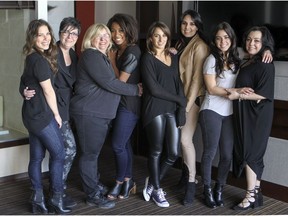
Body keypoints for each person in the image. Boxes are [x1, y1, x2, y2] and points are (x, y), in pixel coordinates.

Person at [69, 23, 142, 209]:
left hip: (97, 114)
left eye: (106, 35)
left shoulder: (100, 57)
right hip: (89, 113)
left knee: (92, 154)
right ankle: (92, 195)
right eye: (99, 35)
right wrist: (135, 90)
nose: (104, 39)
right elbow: (110, 83)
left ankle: (94, 185)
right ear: (90, 38)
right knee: (89, 156)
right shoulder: (92, 55)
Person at [22, 17, 82, 208]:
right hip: (44, 113)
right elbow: (47, 90)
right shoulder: (42, 58)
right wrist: (56, 115)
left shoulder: (38, 56)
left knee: (37, 157)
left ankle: (37, 199)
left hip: (36, 113)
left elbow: (27, 79)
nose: (45, 38)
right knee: (61, 153)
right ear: (33, 38)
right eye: (40, 35)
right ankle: (56, 196)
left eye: (47, 33)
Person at [199, 22, 253, 208]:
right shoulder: (211, 60)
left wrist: (268, 50)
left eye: (226, 37)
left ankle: (219, 188)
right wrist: (236, 91)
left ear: (232, 39)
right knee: (209, 153)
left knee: (227, 155)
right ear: (214, 41)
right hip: (211, 110)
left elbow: (257, 51)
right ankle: (206, 189)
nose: (223, 41)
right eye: (219, 38)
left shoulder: (237, 57)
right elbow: (212, 89)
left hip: (229, 112)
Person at [227, 26, 275, 210]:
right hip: (247, 113)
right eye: (248, 39)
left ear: (263, 43)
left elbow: (264, 94)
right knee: (252, 153)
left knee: (251, 154)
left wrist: (237, 95)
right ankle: (256, 193)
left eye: (256, 40)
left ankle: (249, 196)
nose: (251, 43)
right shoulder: (250, 60)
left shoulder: (265, 63)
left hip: (257, 114)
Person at [141, 21, 187, 208]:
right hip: (154, 108)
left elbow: (178, 84)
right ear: (151, 38)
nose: (161, 39)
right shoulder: (147, 58)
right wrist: (178, 100)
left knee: (173, 153)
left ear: (168, 38)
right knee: (156, 151)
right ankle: (157, 190)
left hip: (171, 109)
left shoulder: (172, 57)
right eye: (157, 35)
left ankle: (152, 182)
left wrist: (181, 108)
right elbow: (154, 89)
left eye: (164, 35)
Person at [171, 9, 210, 206]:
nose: (187, 27)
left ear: (198, 26)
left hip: (192, 100)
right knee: (180, 141)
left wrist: (185, 107)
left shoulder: (200, 46)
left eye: (192, 24)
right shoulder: (180, 43)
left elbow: (196, 80)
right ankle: (185, 176)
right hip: (179, 98)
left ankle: (192, 182)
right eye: (184, 23)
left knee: (185, 140)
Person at [106, 13, 141, 200]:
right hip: (119, 102)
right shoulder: (117, 49)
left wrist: (111, 60)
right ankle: (128, 181)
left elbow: (120, 81)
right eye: (112, 30)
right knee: (124, 143)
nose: (116, 34)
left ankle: (119, 181)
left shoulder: (132, 51)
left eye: (120, 30)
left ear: (129, 30)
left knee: (117, 145)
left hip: (129, 104)